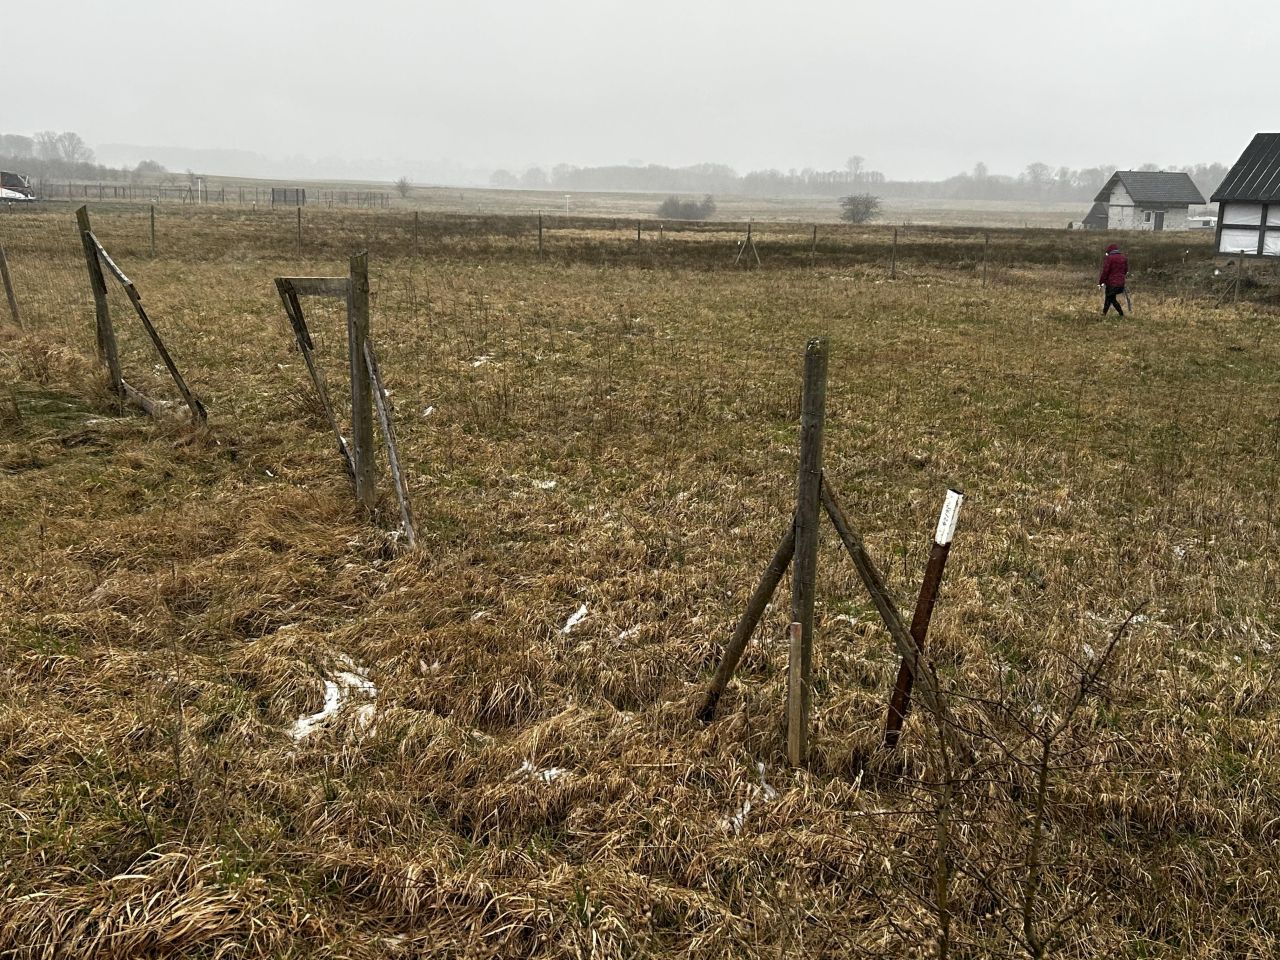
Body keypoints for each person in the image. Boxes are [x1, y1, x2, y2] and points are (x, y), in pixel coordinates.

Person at [1098, 243, 1128, 316]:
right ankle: (1104, 313)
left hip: (1111, 283)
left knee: (1111, 298)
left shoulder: (1110, 258)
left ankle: (1121, 314)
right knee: (1109, 297)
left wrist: (1101, 282)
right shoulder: (1123, 258)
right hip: (1121, 283)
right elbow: (1125, 270)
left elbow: (1105, 271)